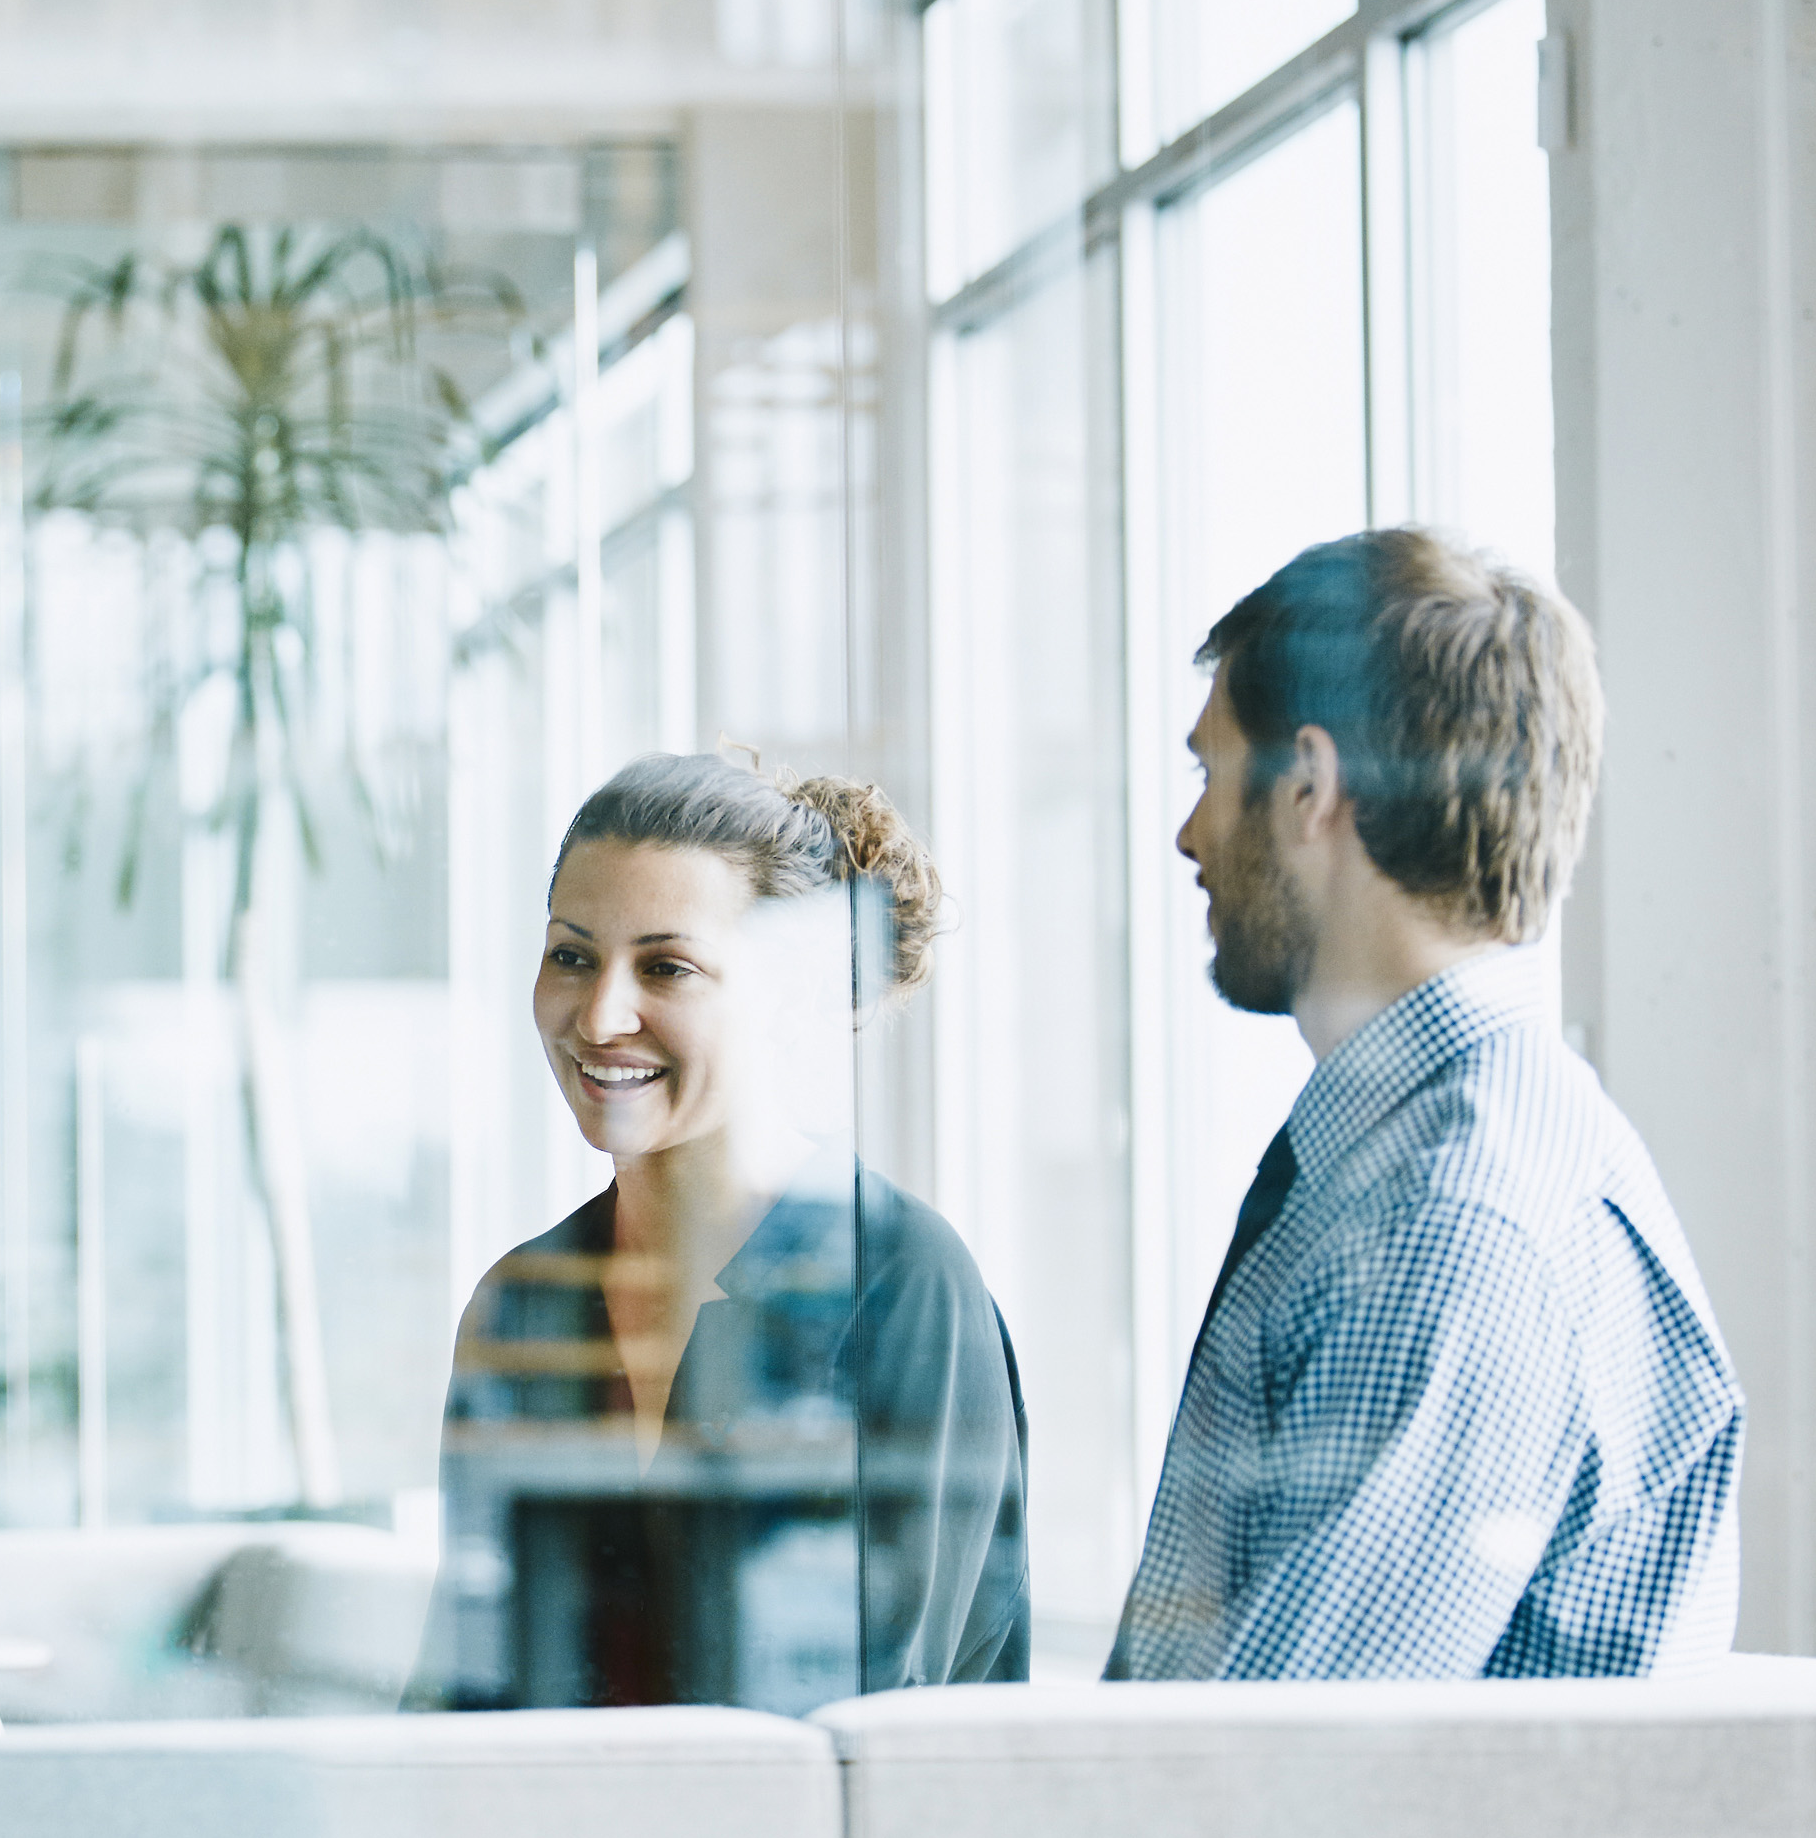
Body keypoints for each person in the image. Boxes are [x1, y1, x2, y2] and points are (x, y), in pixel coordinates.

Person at [1111, 529, 1742, 1681]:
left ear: (1312, 784)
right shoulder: (1471, 1151)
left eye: (1210, 771)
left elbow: (1275, 1787)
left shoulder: (1443, 1225)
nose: (1188, 833)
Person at [430, 752, 1030, 1709]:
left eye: (667, 966)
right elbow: (473, 1682)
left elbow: (875, 1710)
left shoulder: (896, 1278)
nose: (600, 1012)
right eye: (572, 955)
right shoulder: (528, 1298)